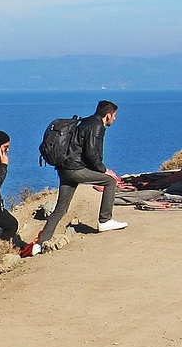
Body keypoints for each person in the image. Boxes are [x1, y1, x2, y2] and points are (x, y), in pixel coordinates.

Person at [36, 100, 127, 253]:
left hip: (64, 169)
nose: (115, 119)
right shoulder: (97, 126)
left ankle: (39, 244)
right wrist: (104, 170)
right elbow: (91, 153)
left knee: (61, 208)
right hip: (75, 170)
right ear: (108, 115)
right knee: (110, 181)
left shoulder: (85, 122)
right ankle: (105, 220)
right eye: (114, 116)